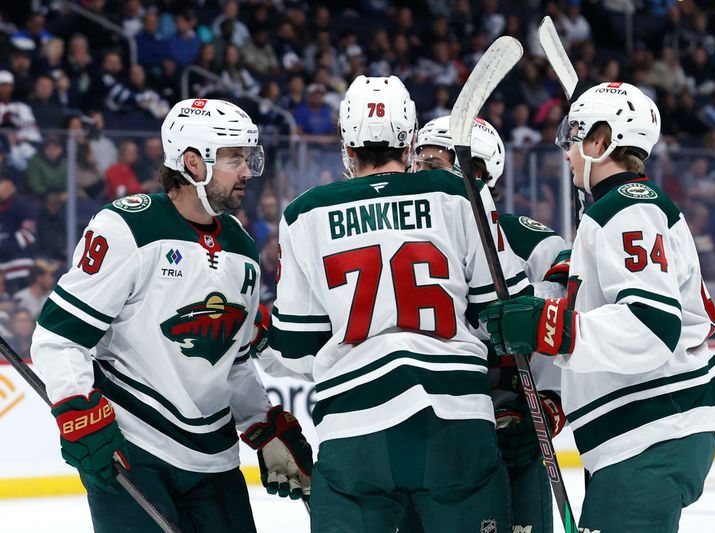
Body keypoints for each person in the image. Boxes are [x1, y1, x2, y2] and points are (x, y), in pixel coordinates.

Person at [259, 75, 528, 532]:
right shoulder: (459, 192)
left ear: (346, 146)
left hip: (354, 428)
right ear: (410, 143)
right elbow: (509, 315)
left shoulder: (305, 212)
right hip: (456, 418)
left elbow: (298, 350)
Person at [31, 98, 312, 532]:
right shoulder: (128, 228)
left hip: (215, 460)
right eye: (234, 159)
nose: (247, 172)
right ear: (193, 162)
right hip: (132, 449)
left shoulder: (241, 245)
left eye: (248, 158)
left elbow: (232, 359)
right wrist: (77, 413)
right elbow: (60, 337)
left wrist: (262, 423)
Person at [482, 82, 715, 533]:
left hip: (652, 433)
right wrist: (561, 291)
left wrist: (549, 326)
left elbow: (651, 326)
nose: (567, 152)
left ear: (601, 142)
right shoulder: (614, 211)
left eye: (575, 138)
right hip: (638, 437)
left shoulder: (627, 209)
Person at [398, 114, 569, 533]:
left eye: (433, 166)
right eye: (417, 164)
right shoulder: (396, 239)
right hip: (427, 427)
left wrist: (547, 403)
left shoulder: (525, 238)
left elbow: (562, 317)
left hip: (511, 421)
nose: (419, 175)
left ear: (476, 173)